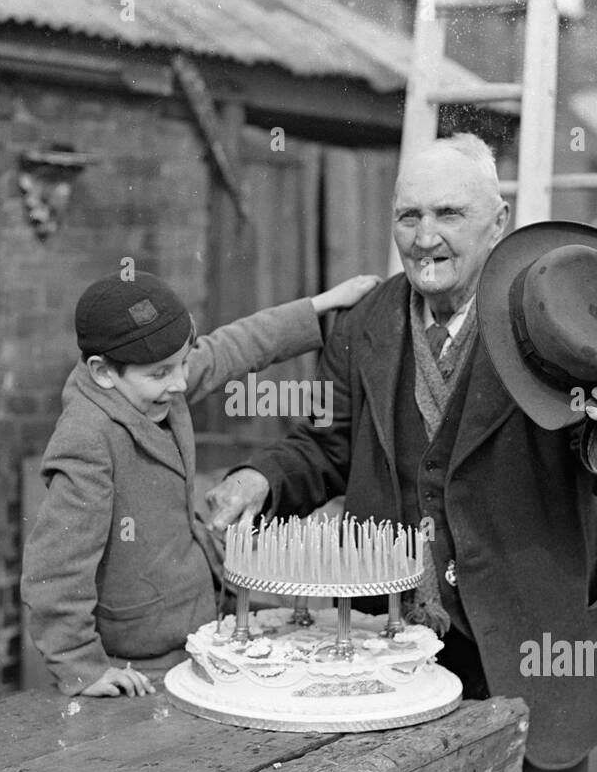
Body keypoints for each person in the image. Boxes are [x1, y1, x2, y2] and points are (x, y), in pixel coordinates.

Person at [205, 134, 597, 772]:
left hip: (531, 643)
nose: (424, 235)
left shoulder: (555, 313)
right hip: (392, 647)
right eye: (408, 213)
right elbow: (332, 437)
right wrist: (258, 478)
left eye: (449, 213)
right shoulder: (369, 318)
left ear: (497, 222)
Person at [21, 269, 381, 698]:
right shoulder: (87, 439)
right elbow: (54, 570)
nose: (179, 383)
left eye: (184, 364)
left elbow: (236, 345)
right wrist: (82, 667)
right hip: (139, 665)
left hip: (196, 629)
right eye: (161, 373)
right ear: (102, 371)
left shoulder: (153, 386)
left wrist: (320, 305)